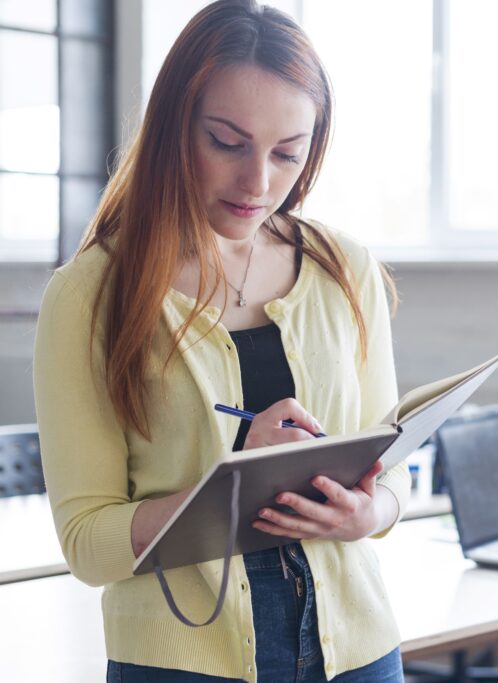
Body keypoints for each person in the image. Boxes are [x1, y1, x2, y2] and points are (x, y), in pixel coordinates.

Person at [32, 1, 409, 681]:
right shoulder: (89, 296)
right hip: (180, 662)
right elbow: (88, 543)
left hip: (357, 650)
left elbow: (392, 472)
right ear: (175, 127)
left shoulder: (342, 268)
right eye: (227, 142)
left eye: (287, 153)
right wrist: (234, 483)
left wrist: (366, 511)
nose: (258, 183)